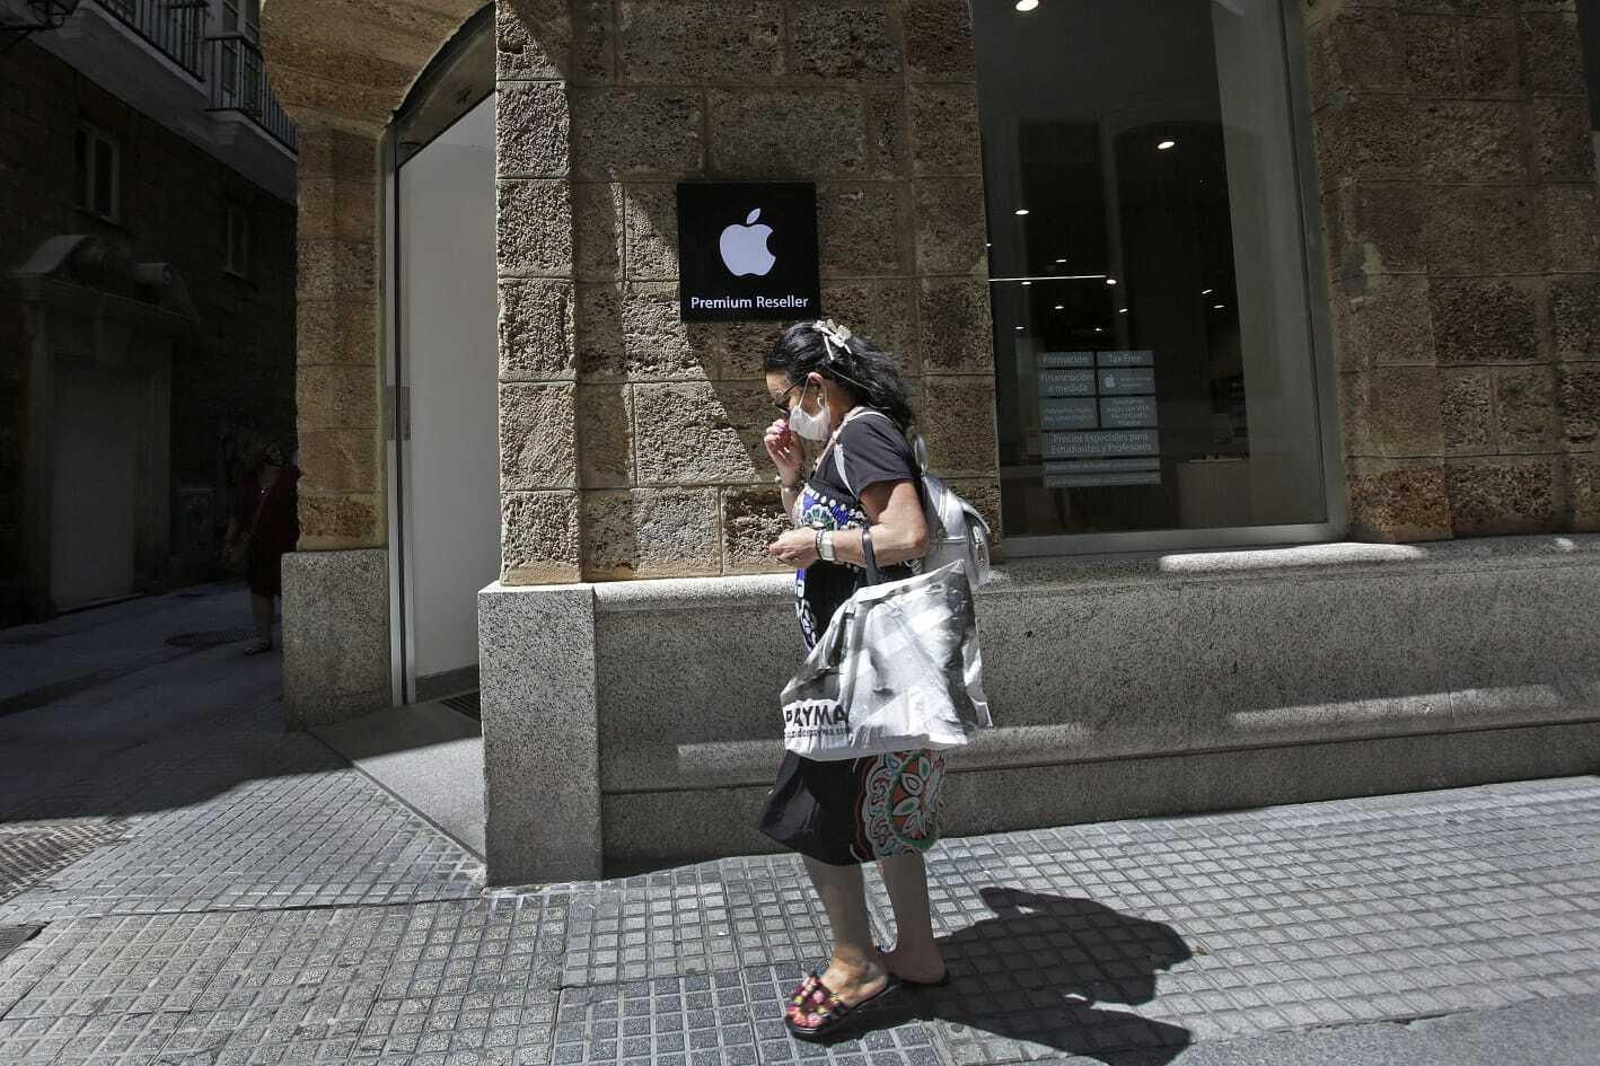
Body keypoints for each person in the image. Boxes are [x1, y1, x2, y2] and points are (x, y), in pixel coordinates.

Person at [759, 319, 950, 1040]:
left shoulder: (865, 432)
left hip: (861, 672)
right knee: (888, 809)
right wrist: (793, 483)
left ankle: (855, 963)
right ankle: (920, 954)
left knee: (808, 811)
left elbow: (905, 536)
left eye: (787, 400)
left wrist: (816, 540)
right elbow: (829, 538)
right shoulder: (842, 441)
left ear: (818, 384)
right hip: (876, 665)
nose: (786, 417)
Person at [222, 438, 300, 654]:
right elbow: (238, 514)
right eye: (271, 453)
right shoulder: (249, 481)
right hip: (257, 545)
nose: (276, 456)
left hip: (286, 544)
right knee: (259, 590)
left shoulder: (290, 477)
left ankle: (298, 639)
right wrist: (229, 541)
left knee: (290, 592)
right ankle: (262, 638)